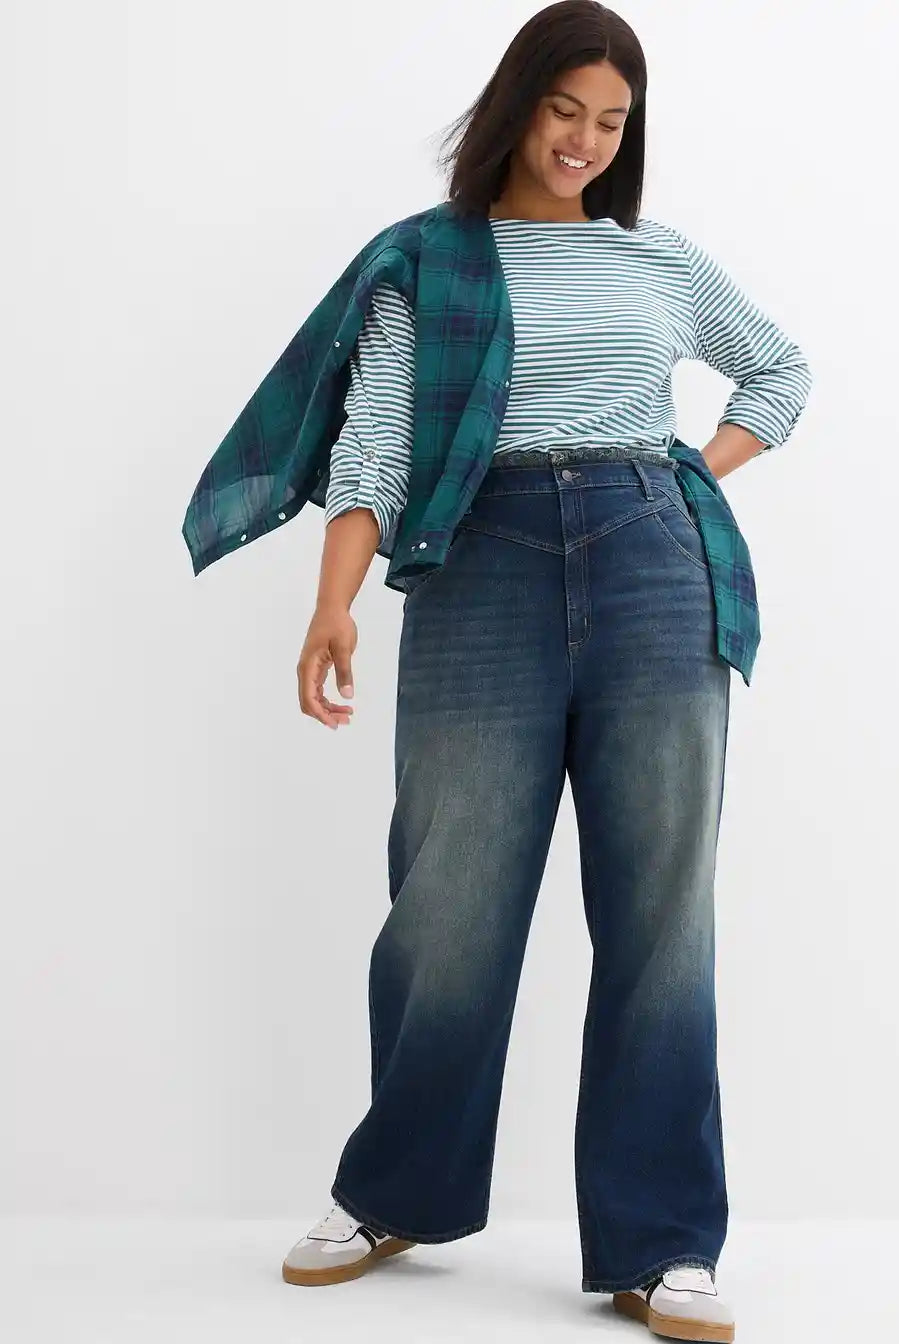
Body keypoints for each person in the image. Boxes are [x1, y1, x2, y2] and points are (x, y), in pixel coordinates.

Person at [268, 3, 812, 1339]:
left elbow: (778, 372)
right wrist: (334, 602)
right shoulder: (427, 260)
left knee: (661, 913)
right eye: (566, 109)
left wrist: (690, 476)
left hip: (652, 565)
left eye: (612, 121)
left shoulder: (655, 258)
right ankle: (396, 1192)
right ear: (517, 105)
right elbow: (376, 444)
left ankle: (662, 1243)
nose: (584, 140)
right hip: (480, 565)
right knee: (445, 900)